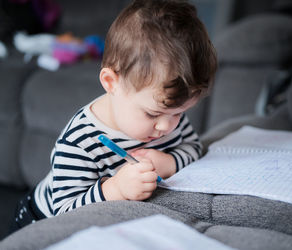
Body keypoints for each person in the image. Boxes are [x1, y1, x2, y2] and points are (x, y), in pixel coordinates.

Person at [12, 0, 217, 231]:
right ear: (111, 83)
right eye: (152, 114)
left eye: (180, 113)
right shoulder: (79, 142)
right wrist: (115, 189)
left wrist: (169, 163)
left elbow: (193, 146)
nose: (166, 127)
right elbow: (64, 212)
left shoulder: (168, 115)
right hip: (40, 220)